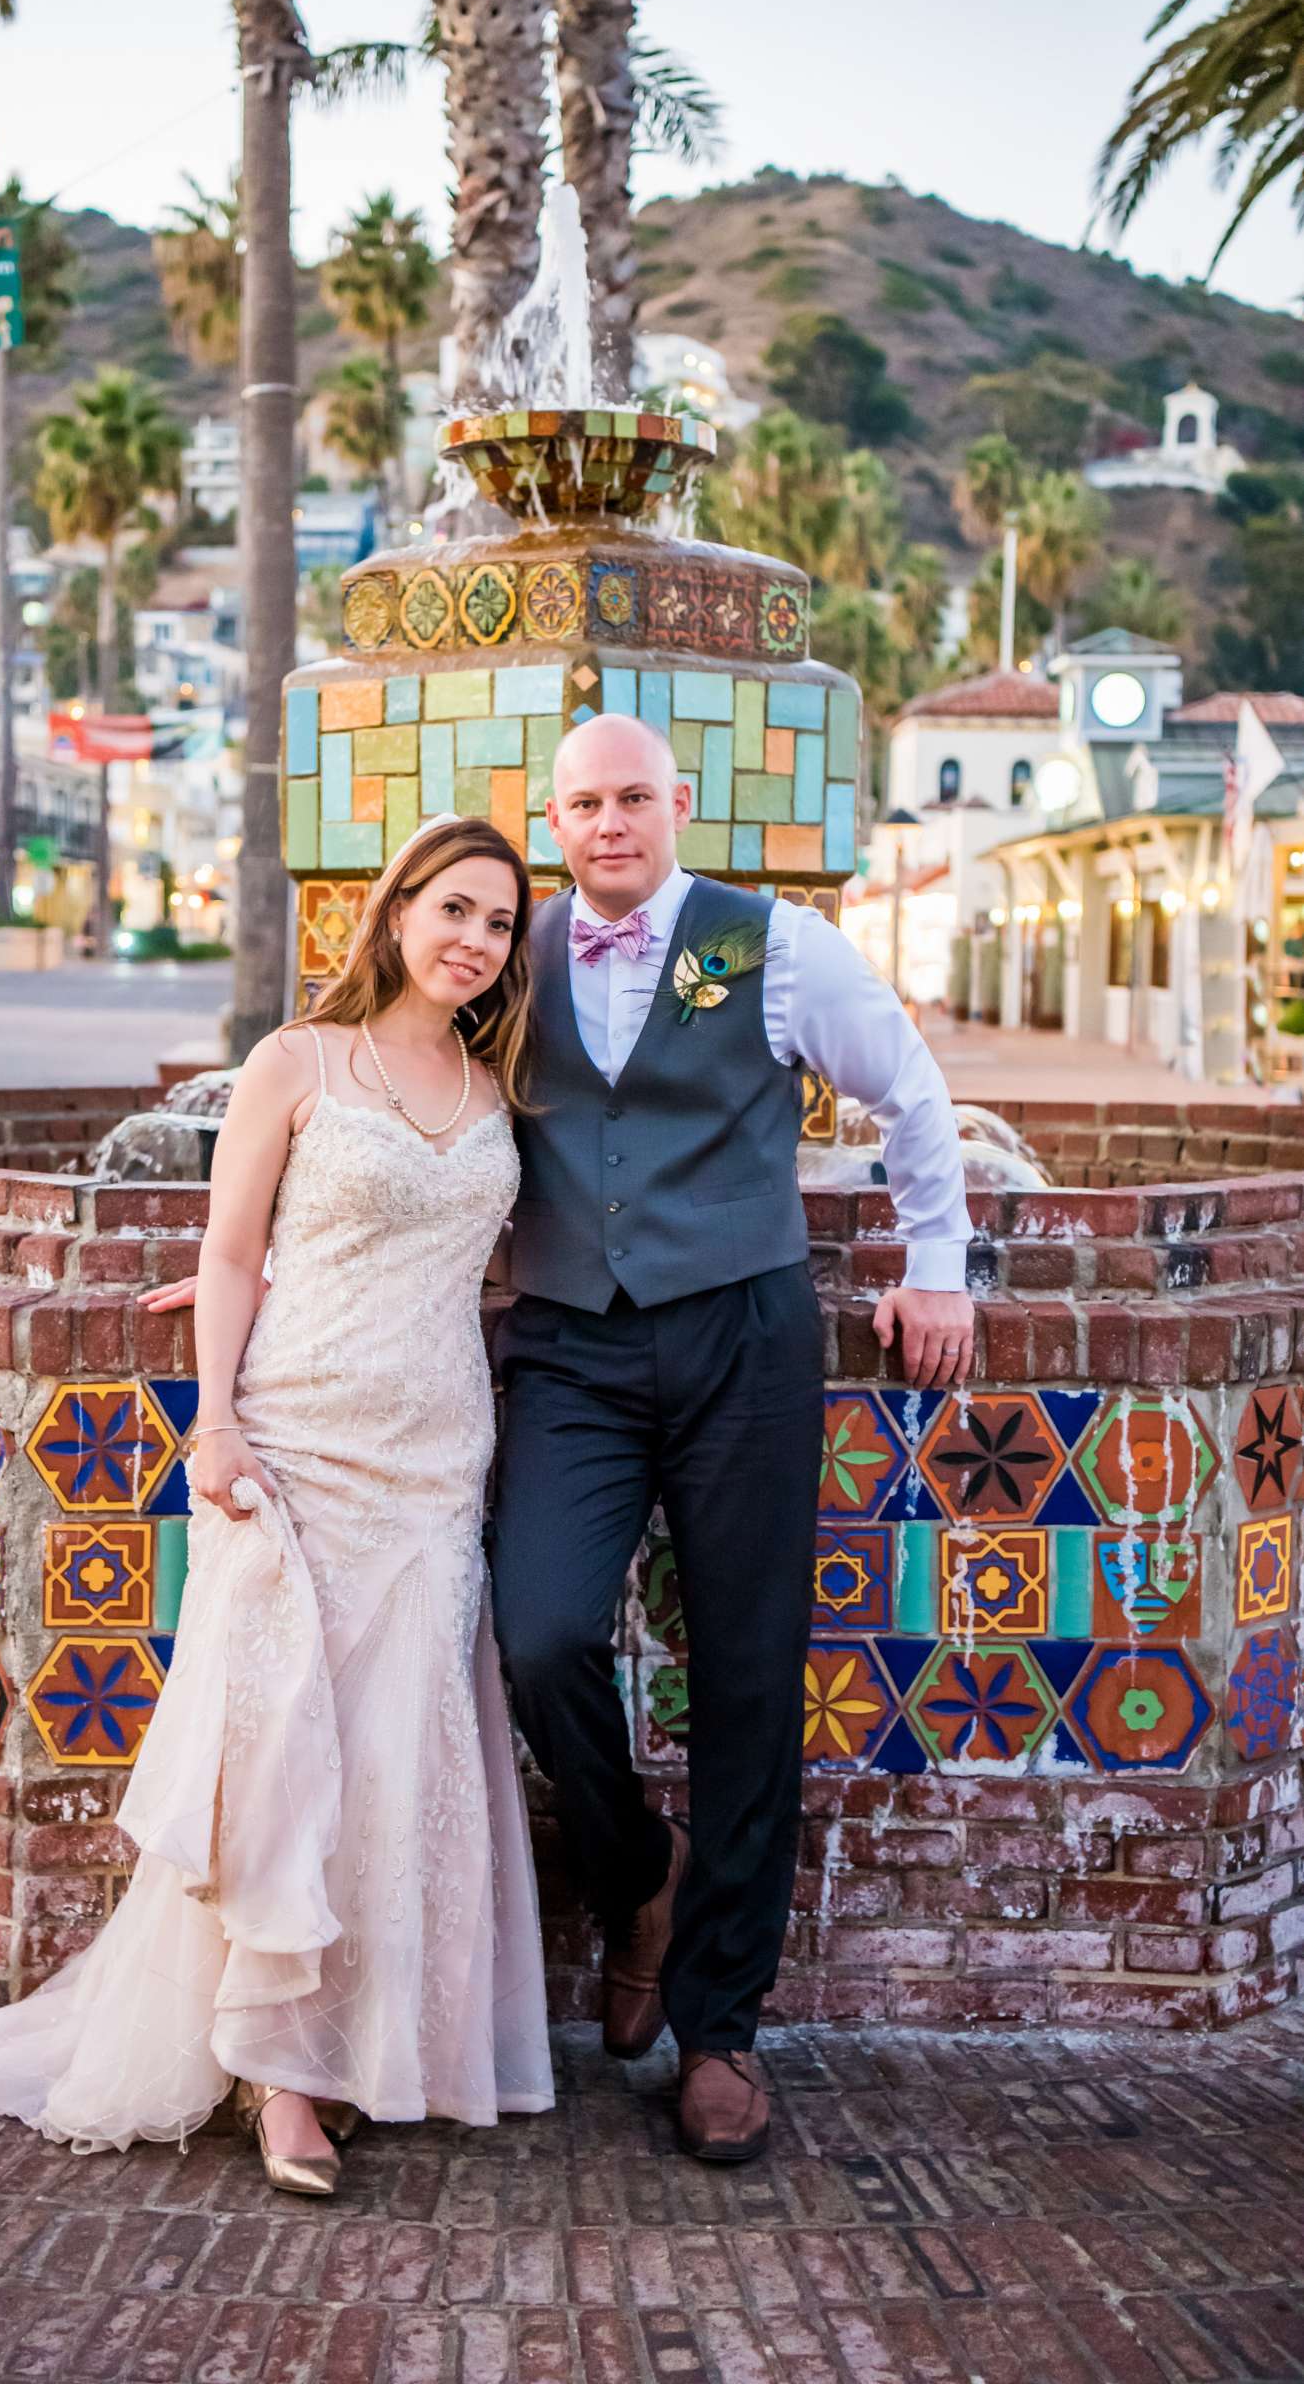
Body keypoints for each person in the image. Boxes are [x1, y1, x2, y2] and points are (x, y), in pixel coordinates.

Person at [0, 816, 554, 2194]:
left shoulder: (495, 1082)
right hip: (292, 1439)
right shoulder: (293, 1061)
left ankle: (360, 2048)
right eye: (452, 908)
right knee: (281, 1746)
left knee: (398, 1753)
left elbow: (487, 1271)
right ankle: (279, 2081)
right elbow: (230, 1248)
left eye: (499, 924)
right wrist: (215, 1415)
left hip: (436, 1457)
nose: (473, 939)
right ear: (395, 909)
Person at [486, 712, 973, 2165]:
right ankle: (638, 1873)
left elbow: (908, 1089)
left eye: (634, 796)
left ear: (676, 803)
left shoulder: (781, 944)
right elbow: (377, 1099)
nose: (610, 822)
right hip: (568, 1342)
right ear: (552, 820)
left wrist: (936, 1260)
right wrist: (256, 1257)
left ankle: (721, 2030)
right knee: (541, 1633)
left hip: (742, 1341)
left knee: (752, 1672)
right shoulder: (507, 956)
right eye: (583, 804)